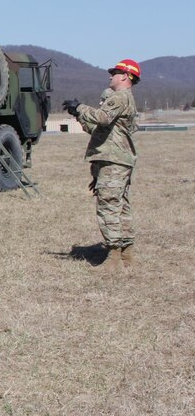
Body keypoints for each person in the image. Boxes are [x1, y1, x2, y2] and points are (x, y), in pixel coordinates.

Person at [63, 59, 141, 270]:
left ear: (125, 76)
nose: (110, 76)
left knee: (108, 205)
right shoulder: (122, 99)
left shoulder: (120, 97)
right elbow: (98, 129)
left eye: (114, 73)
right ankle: (127, 255)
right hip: (115, 159)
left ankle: (114, 257)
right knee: (120, 205)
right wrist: (78, 114)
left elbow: (102, 118)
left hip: (114, 160)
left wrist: (81, 106)